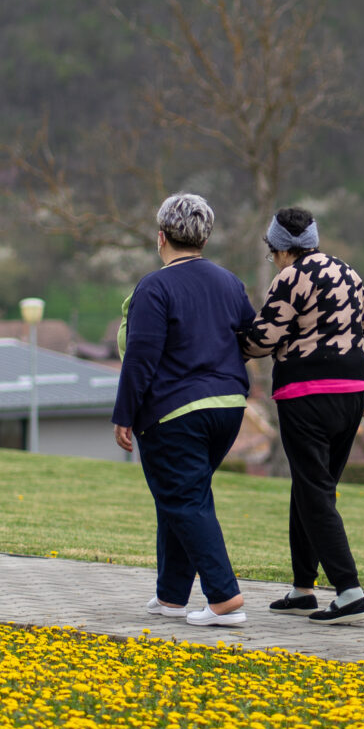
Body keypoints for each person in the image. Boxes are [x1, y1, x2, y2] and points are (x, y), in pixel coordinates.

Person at [111, 193, 257, 628]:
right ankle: (171, 596)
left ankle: (225, 598)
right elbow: (250, 337)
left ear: (161, 237)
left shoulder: (154, 287)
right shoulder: (230, 282)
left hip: (175, 411)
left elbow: (140, 357)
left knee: (184, 498)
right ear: (204, 236)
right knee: (179, 496)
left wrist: (124, 414)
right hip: (228, 407)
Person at [241, 206, 364, 624]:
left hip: (306, 395)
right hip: (352, 395)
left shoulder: (290, 278)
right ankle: (304, 586)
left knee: (315, 492)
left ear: (282, 249)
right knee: (311, 486)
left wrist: (234, 338)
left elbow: (261, 340)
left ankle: (350, 591)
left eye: (273, 252)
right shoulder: (349, 273)